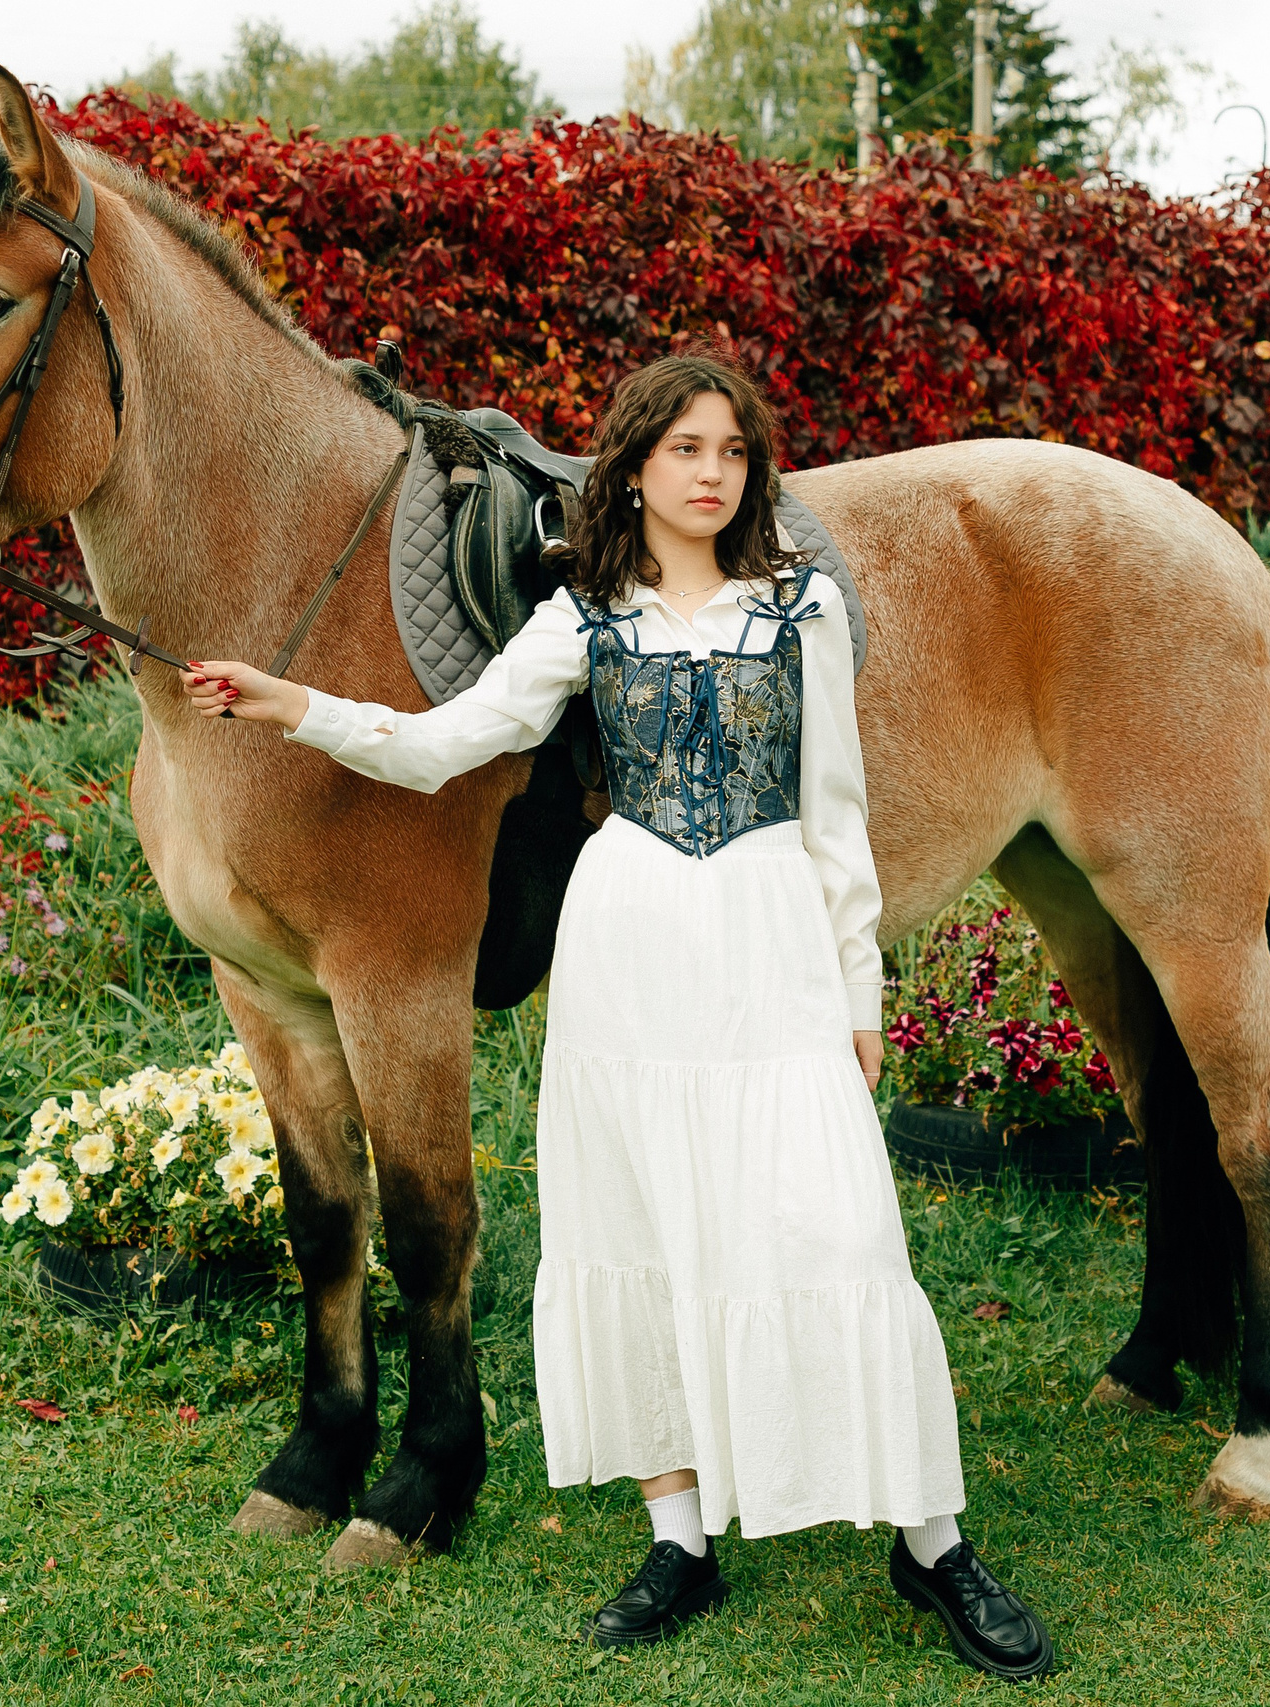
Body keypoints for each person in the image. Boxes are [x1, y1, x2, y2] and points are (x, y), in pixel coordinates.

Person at [180, 352, 1053, 1680]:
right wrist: (289, 703)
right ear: (632, 470)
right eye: (684, 450)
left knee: (840, 1231)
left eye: (733, 453)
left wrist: (858, 984)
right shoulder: (584, 619)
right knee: (636, 1235)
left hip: (766, 935)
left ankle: (931, 1543)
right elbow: (442, 744)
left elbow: (835, 813)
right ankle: (679, 1542)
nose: (711, 474)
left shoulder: (802, 606)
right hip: (628, 945)